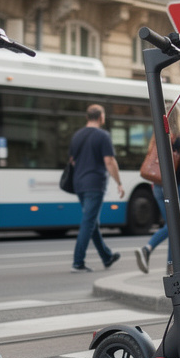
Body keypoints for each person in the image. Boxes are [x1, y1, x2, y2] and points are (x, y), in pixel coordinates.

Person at [135, 104, 180, 275]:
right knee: (178, 226)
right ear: (179, 119)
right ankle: (148, 248)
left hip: (157, 187)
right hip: (176, 188)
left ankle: (171, 265)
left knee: (171, 225)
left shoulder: (158, 138)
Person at [68, 104, 124, 272]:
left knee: (91, 221)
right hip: (95, 184)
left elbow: (72, 161)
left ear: (87, 117)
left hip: (79, 184)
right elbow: (109, 161)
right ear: (101, 117)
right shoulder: (102, 135)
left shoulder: (77, 135)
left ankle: (106, 257)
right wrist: (119, 183)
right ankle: (78, 263)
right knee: (88, 221)